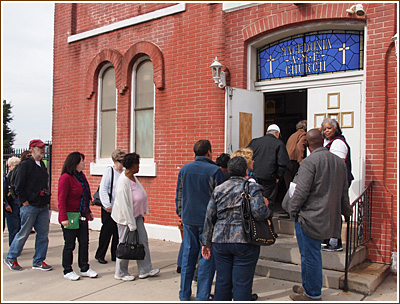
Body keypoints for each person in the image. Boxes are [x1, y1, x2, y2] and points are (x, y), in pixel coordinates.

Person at [282, 129, 352, 301]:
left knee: (310, 255)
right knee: (311, 254)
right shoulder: (339, 163)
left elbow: (300, 192)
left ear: (307, 144)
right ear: (323, 141)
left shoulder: (309, 162)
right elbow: (344, 193)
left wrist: (292, 211)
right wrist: (346, 212)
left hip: (309, 218)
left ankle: (313, 294)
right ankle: (308, 286)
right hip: (328, 217)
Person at [202, 156, 270, 301]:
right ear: (246, 171)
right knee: (242, 284)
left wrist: (206, 242)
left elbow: (209, 216)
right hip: (244, 240)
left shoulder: (219, 189)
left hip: (220, 240)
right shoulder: (252, 188)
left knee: (222, 282)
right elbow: (259, 212)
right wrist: (267, 208)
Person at [175, 139, 225, 301]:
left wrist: (181, 215)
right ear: (209, 152)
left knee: (188, 257)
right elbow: (221, 199)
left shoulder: (184, 169)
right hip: (208, 223)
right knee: (207, 258)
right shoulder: (215, 171)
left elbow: (179, 196)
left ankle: (184, 293)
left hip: (189, 219)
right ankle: (202, 296)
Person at [4, 139, 52, 271]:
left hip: (42, 205)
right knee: (23, 233)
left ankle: (39, 260)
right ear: (32, 149)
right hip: (30, 206)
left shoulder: (42, 165)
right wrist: (24, 202)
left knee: (43, 234)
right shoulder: (25, 165)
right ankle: (11, 257)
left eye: (43, 148)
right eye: (39, 148)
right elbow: (18, 187)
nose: (42, 150)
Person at [111, 152, 160, 281]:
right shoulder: (123, 182)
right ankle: (120, 272)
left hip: (136, 216)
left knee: (142, 241)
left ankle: (145, 269)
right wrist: (131, 224)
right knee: (125, 244)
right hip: (125, 219)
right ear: (132, 166)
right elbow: (124, 205)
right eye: (137, 164)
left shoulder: (133, 177)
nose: (139, 167)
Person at [58, 152, 98, 280]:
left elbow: (84, 197)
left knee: (84, 242)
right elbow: (61, 199)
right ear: (75, 163)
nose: (84, 163)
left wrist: (88, 211)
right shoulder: (66, 178)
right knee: (70, 244)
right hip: (70, 215)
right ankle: (67, 270)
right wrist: (63, 217)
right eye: (82, 161)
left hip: (82, 215)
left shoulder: (81, 177)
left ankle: (84, 268)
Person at [321, 118, 354, 252]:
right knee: (329, 212)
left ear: (336, 129)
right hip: (332, 182)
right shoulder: (329, 143)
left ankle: (335, 241)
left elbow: (337, 165)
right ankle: (327, 238)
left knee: (334, 212)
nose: (326, 131)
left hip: (337, 182)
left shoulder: (338, 143)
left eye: (329, 128)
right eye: (324, 129)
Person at [247, 124, 289, 213]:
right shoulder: (279, 144)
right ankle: (267, 222)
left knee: (253, 199)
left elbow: (246, 156)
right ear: (277, 134)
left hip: (253, 176)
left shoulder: (255, 142)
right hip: (269, 178)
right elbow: (283, 163)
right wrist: (278, 176)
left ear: (267, 133)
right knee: (268, 202)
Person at [94, 149, 126, 264]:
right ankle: (100, 254)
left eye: (124, 161)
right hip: (110, 208)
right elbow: (103, 189)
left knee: (118, 233)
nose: (122, 163)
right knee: (106, 232)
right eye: (120, 161)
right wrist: (107, 205)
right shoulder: (110, 171)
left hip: (120, 208)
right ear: (115, 160)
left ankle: (115, 254)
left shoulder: (124, 172)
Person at [284, 120, 307, 189]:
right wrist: (300, 160)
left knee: (289, 185)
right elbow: (300, 146)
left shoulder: (293, 135)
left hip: (287, 160)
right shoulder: (303, 134)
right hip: (294, 161)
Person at [4, 156, 21, 246]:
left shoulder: (20, 178)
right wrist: (6, 204)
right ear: (10, 166)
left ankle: (17, 246)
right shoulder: (6, 179)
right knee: (13, 228)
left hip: (20, 205)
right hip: (11, 205)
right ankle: (13, 247)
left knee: (19, 227)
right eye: (16, 165)